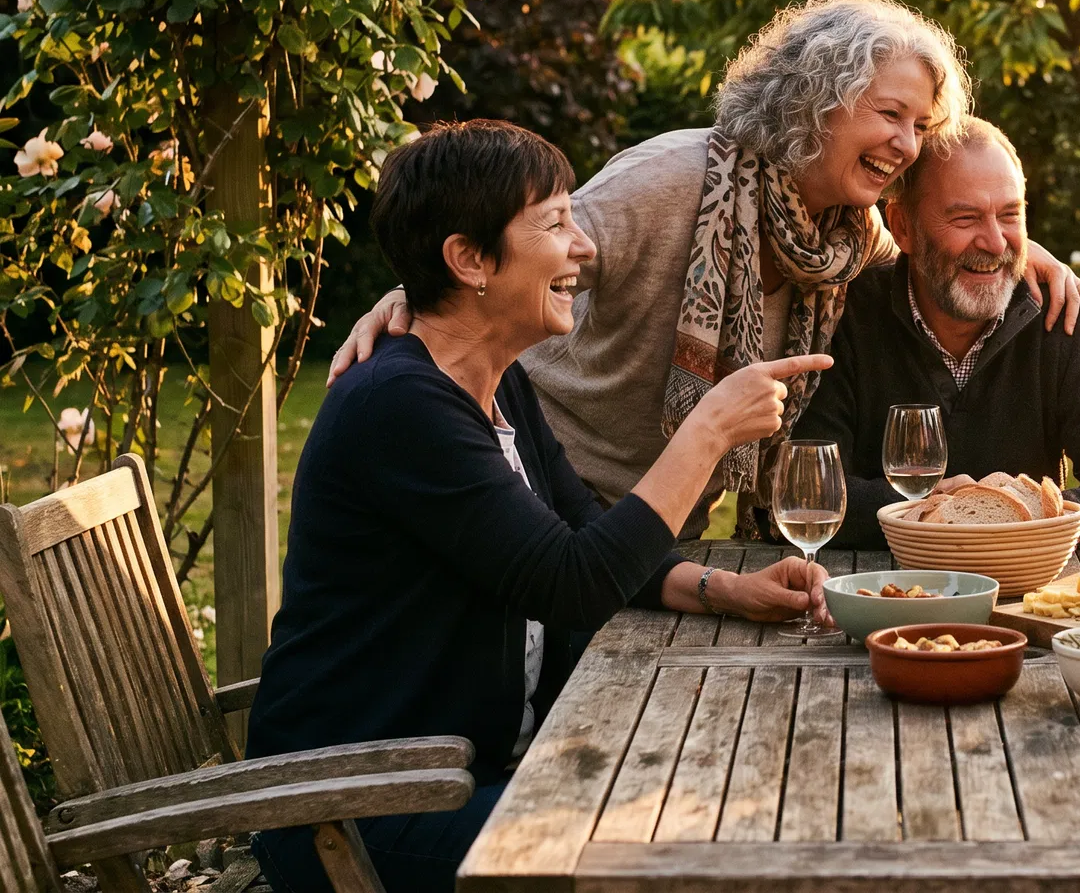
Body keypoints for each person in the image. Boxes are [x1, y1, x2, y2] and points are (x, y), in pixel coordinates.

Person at [249, 121, 832, 893]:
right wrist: (709, 429)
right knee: (689, 849)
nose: (583, 246)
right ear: (469, 260)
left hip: (464, 776)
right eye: (555, 223)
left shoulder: (494, 378)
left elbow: (584, 529)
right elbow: (572, 581)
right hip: (357, 810)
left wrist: (721, 588)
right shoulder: (399, 406)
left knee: (726, 796)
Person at [329, 0, 1080, 540]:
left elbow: (938, 249)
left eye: (920, 124)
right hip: (545, 495)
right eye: (889, 114)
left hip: (669, 524)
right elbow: (522, 253)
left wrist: (1027, 250)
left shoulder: (847, 236)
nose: (907, 143)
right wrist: (406, 297)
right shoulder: (672, 180)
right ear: (814, 102)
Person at [794, 117, 1080, 549]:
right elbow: (806, 491)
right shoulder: (845, 315)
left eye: (1010, 215)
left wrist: (1017, 518)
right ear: (902, 228)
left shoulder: (1057, 315)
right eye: (966, 218)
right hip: (876, 596)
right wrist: (935, 515)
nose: (994, 243)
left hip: (1027, 596)